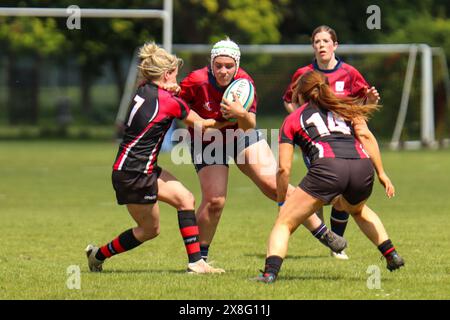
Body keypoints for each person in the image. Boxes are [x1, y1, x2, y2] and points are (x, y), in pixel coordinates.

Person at [179, 38, 346, 267]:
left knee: (274, 183)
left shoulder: (245, 82)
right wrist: (201, 122)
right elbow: (177, 107)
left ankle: (323, 232)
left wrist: (240, 113)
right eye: (218, 65)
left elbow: (250, 125)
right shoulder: (196, 81)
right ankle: (199, 261)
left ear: (237, 65)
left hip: (240, 135)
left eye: (229, 66)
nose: (223, 71)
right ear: (211, 64)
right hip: (208, 140)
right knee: (215, 200)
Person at [85, 43, 225, 274]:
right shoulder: (169, 102)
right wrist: (233, 116)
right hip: (135, 174)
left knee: (185, 199)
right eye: (175, 76)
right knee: (149, 229)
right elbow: (204, 126)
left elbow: (164, 97)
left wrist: (174, 89)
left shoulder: (143, 89)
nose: (177, 81)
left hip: (138, 167)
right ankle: (98, 255)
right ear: (166, 74)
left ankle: (196, 263)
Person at [256, 70, 404, 284]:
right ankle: (392, 255)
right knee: (358, 210)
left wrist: (281, 200)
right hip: (362, 167)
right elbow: (365, 135)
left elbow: (283, 170)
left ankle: (269, 273)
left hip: (328, 168)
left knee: (285, 222)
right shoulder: (344, 108)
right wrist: (381, 173)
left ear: (299, 94)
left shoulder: (293, 119)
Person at [282, 25, 381, 260]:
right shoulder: (303, 74)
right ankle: (334, 242)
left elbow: (359, 105)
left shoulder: (349, 73)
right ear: (313, 46)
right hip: (317, 142)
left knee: (339, 194)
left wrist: (370, 99)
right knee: (333, 190)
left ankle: (335, 243)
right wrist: (301, 119)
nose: (321, 45)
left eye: (326, 41)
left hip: (347, 140)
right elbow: (289, 100)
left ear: (335, 45)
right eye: (317, 42)